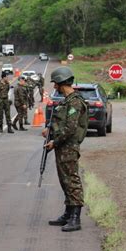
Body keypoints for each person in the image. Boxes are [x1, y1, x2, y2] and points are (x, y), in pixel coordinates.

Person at [42, 66, 88, 232]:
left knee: (72, 180)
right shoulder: (67, 101)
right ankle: (68, 214)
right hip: (63, 147)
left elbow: (69, 128)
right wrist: (50, 131)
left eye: (56, 83)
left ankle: (75, 218)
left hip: (68, 147)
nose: (54, 87)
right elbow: (62, 124)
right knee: (65, 180)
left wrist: (54, 141)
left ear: (62, 82)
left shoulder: (75, 102)